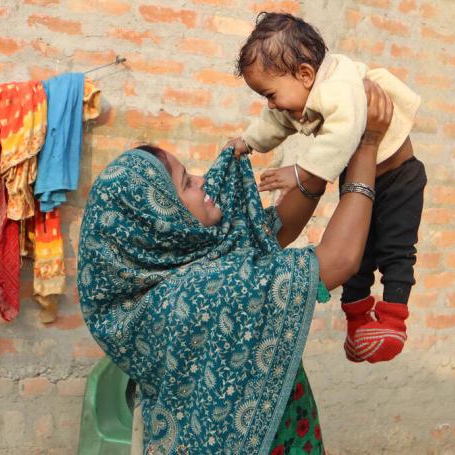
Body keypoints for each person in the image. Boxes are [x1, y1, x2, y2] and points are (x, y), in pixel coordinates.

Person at [78, 81, 393, 453]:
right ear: (162, 219)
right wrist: (367, 144)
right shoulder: (195, 295)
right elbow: (339, 260)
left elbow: (275, 231)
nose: (202, 181)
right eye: (186, 183)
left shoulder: (179, 268)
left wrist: (318, 164)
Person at [223, 12, 427, 364]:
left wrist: (302, 174)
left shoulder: (338, 88)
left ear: (305, 74)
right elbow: (273, 121)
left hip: (397, 177)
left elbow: (345, 135)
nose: (269, 103)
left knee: (396, 247)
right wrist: (248, 142)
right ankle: (359, 320)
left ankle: (393, 319)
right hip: (362, 176)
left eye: (270, 93)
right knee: (360, 252)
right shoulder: (298, 92)